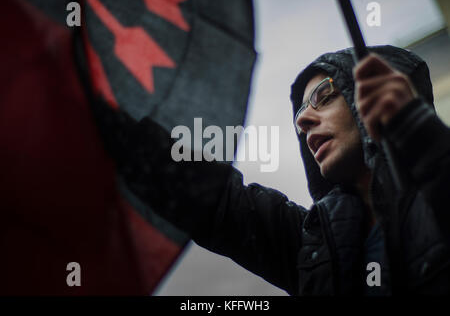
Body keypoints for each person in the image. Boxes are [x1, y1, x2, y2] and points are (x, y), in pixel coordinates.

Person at [94, 45, 450, 295]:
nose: (304, 120)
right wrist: (108, 123)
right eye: (298, 119)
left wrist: (416, 132)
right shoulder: (315, 242)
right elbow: (215, 202)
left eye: (324, 96)